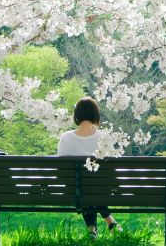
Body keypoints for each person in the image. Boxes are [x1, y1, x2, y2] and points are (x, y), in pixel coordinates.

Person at [57, 97, 122, 239]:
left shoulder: (65, 137)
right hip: (102, 189)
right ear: (96, 115)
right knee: (94, 184)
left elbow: (62, 172)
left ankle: (92, 228)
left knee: (83, 185)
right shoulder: (104, 137)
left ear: (77, 116)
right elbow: (110, 171)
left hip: (72, 190)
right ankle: (110, 222)